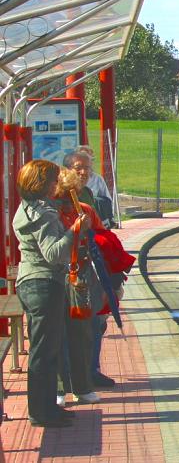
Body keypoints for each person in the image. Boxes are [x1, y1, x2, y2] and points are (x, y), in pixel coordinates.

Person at [13, 159, 90, 427]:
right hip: (43, 284)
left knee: (46, 350)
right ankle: (41, 412)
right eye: (53, 180)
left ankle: (46, 407)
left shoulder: (28, 208)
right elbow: (54, 253)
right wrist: (75, 230)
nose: (57, 185)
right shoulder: (43, 213)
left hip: (33, 282)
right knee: (44, 352)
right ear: (42, 184)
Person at [52, 169, 102, 407]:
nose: (68, 201)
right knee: (58, 334)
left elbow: (102, 240)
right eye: (62, 195)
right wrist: (74, 230)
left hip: (81, 277)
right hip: (57, 277)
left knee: (82, 332)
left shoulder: (85, 210)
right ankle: (61, 388)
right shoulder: (51, 213)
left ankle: (82, 386)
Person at [70, 146, 114, 227]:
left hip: (96, 219)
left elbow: (107, 200)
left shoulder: (98, 179)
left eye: (90, 160)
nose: (83, 172)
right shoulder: (68, 184)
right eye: (79, 167)